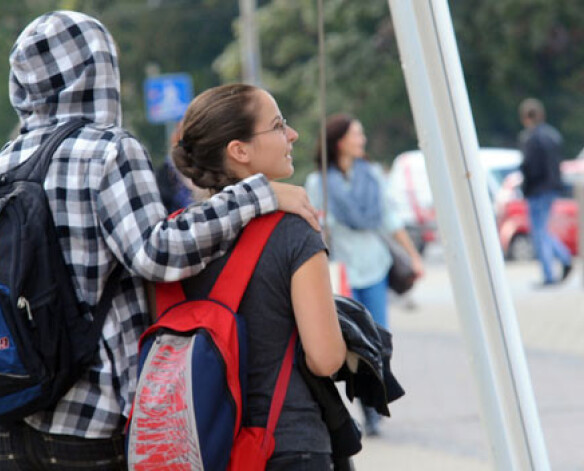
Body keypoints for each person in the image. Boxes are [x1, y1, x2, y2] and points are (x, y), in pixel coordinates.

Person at [0, 11, 318, 470]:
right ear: (97, 69)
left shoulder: (8, 159)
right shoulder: (109, 148)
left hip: (14, 412)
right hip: (92, 421)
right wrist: (256, 194)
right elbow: (157, 253)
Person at [172, 83, 346, 470]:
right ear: (240, 151)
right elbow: (325, 358)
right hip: (286, 443)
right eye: (279, 125)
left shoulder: (176, 240)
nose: (292, 134)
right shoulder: (294, 232)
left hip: (197, 447)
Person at [305, 113, 423, 435]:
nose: (363, 140)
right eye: (358, 134)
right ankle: (354, 407)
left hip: (375, 266)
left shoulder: (371, 175)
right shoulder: (319, 183)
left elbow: (389, 219)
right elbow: (314, 229)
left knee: (376, 340)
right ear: (341, 140)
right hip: (341, 272)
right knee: (348, 346)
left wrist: (413, 256)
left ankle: (373, 409)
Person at [518, 97, 573, 286]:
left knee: (538, 232)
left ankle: (549, 274)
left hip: (537, 190)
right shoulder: (552, 135)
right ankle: (564, 258)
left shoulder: (531, 139)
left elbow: (530, 168)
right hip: (552, 188)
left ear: (526, 117)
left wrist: (525, 187)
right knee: (542, 230)